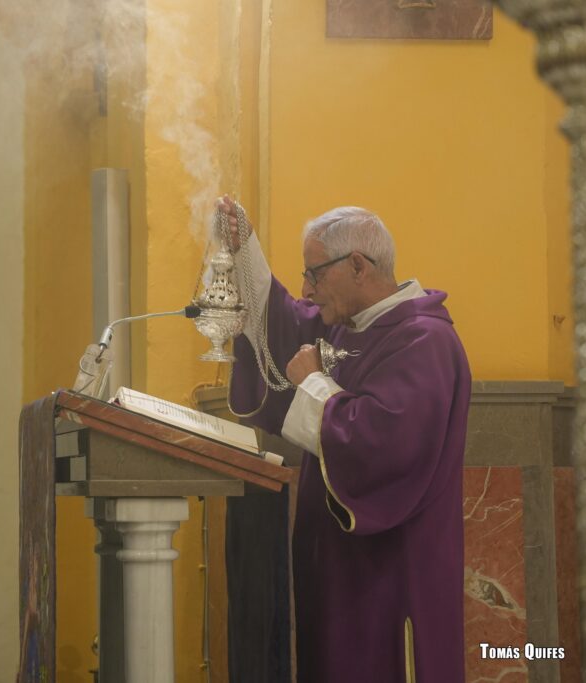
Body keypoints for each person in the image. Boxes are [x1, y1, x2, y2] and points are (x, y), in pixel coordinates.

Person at [221, 198, 470, 683]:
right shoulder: (346, 327)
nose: (306, 289)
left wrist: (314, 382)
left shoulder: (424, 341)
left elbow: (380, 445)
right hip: (337, 568)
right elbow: (281, 322)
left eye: (314, 274)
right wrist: (243, 249)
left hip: (390, 572)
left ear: (358, 265)